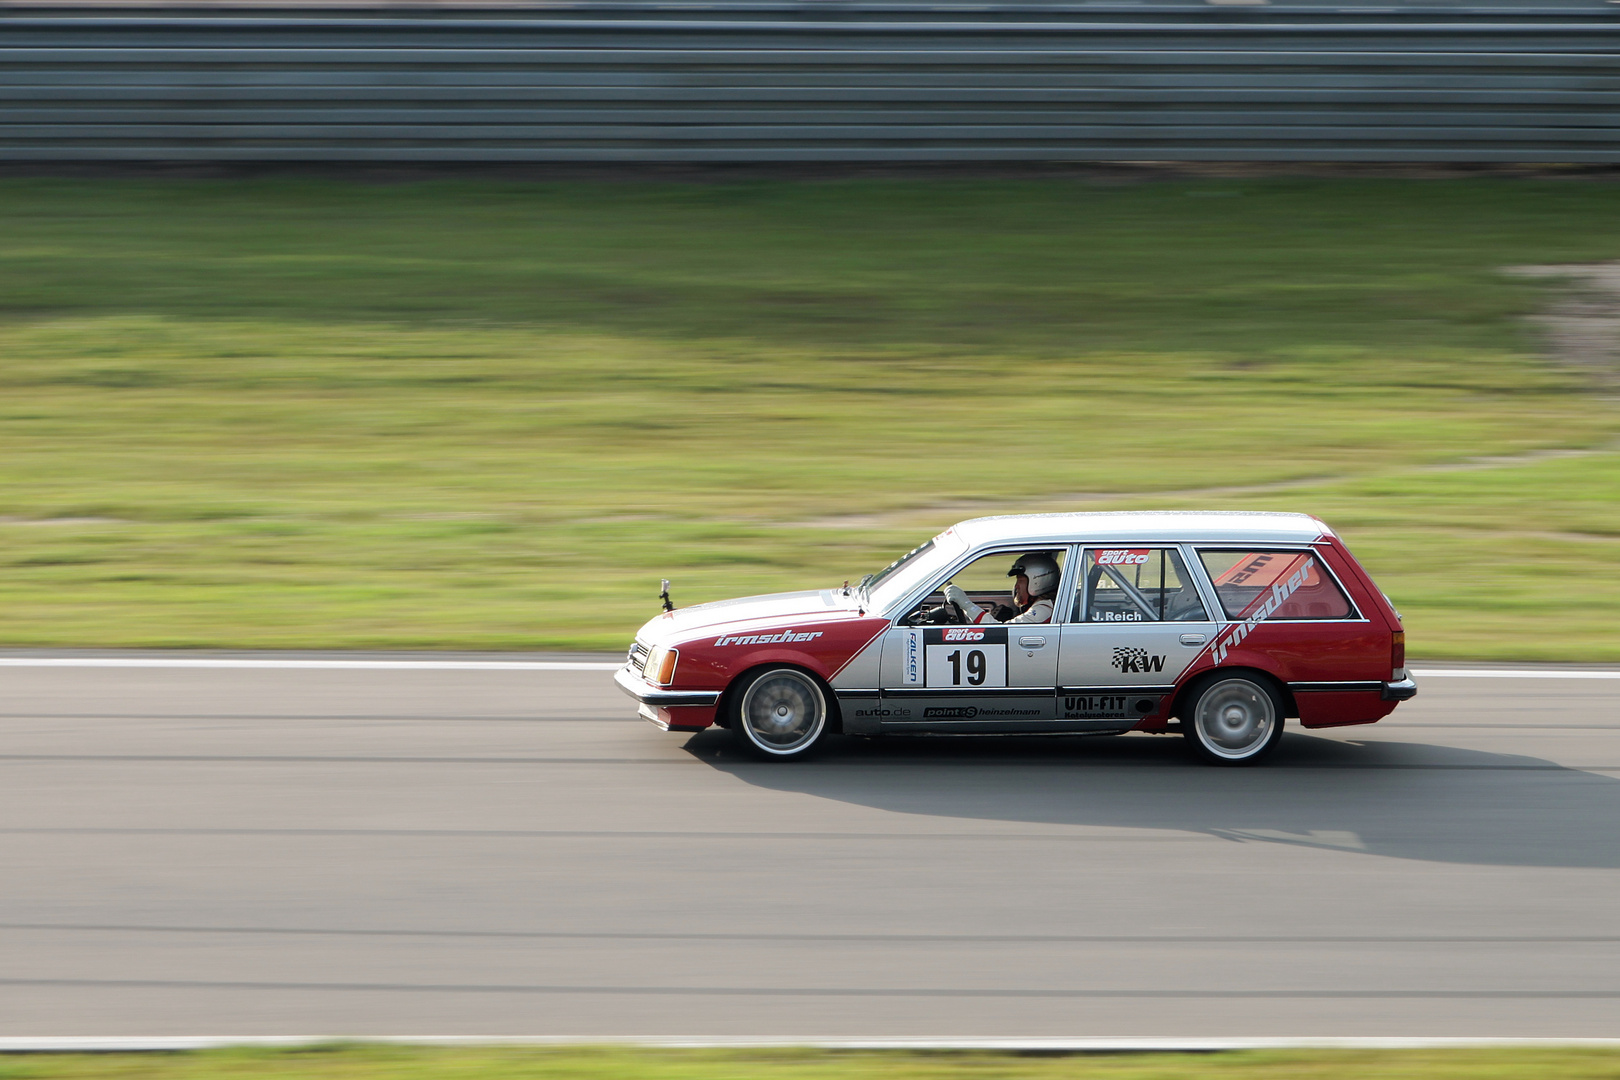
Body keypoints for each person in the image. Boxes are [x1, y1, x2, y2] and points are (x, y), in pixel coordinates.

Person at [942, 552, 1060, 625]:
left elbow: (999, 631)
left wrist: (967, 605)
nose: (1016, 586)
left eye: (1020, 580)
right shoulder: (1044, 607)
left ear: (1037, 580)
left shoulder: (1043, 611)